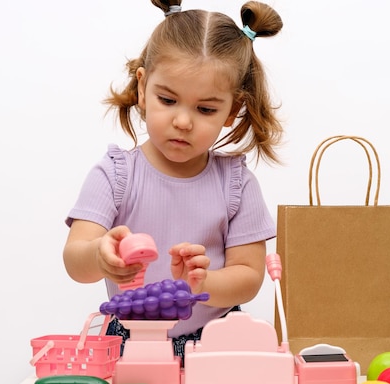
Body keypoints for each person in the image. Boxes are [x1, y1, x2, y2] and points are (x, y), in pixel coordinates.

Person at [63, 0, 284, 359]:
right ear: (142, 88)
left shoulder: (236, 184)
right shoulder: (116, 173)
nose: (183, 121)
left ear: (231, 111)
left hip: (216, 342)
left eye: (206, 109)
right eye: (168, 99)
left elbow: (249, 276)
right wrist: (100, 256)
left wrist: (204, 282)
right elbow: (75, 258)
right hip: (130, 341)